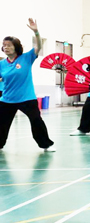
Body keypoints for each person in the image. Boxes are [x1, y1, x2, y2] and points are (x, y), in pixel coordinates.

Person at [0, 19, 55, 152]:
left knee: (36, 120)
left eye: (8, 45)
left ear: (16, 47)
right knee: (1, 124)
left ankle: (45, 144)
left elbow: (38, 47)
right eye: (4, 45)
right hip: (7, 99)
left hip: (27, 98)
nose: (5, 47)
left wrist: (36, 32)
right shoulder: (2, 64)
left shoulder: (26, 58)